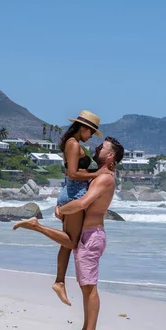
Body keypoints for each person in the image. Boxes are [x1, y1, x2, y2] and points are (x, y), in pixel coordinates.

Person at [13, 136, 125, 330]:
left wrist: (61, 210)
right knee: (85, 286)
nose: (98, 148)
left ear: (110, 156)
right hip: (87, 236)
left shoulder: (105, 178)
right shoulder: (99, 175)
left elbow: (83, 203)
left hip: (92, 236)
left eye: (102, 147)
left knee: (89, 287)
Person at [52, 110, 110, 306]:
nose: (91, 136)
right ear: (83, 128)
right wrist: (97, 175)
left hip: (72, 193)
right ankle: (36, 226)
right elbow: (73, 174)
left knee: (69, 242)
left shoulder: (73, 143)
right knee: (71, 242)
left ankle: (60, 282)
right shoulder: (73, 143)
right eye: (91, 132)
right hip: (74, 194)